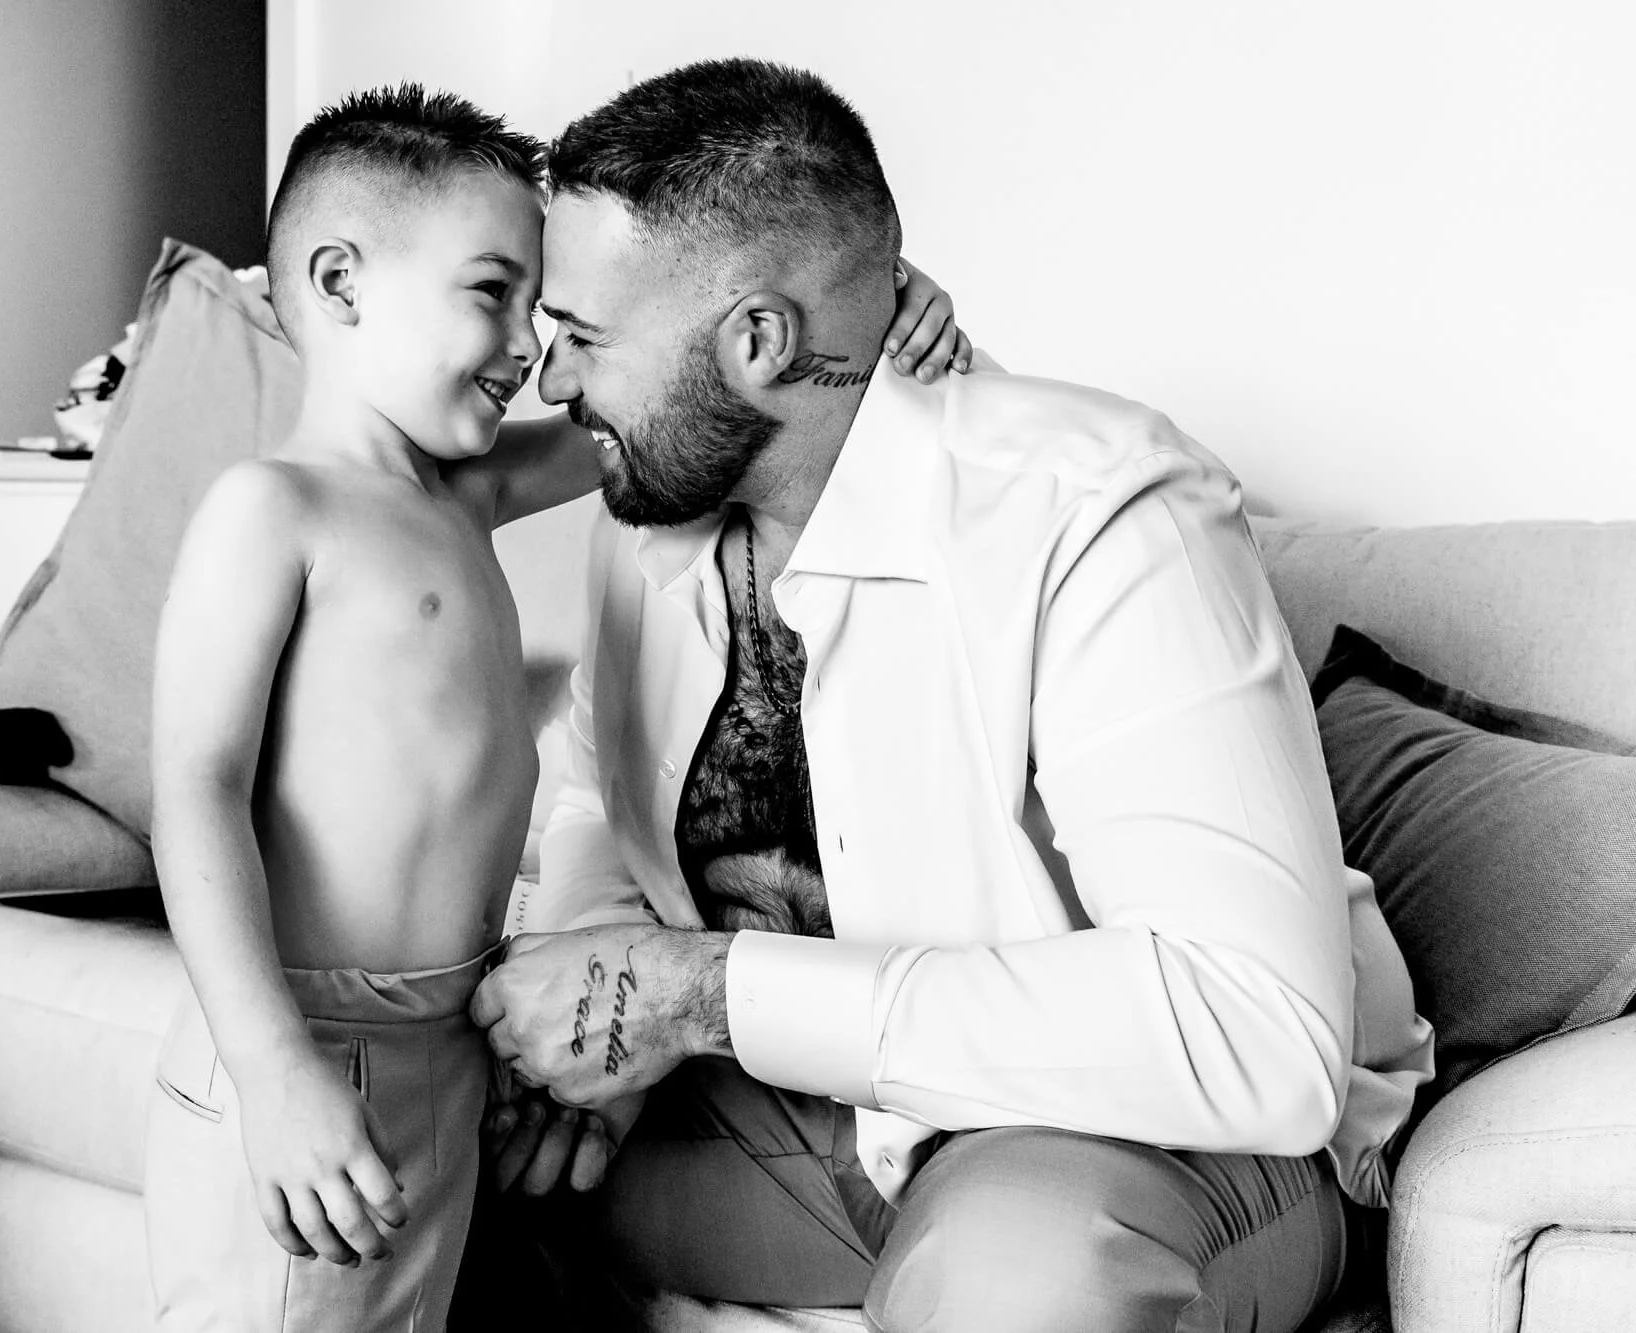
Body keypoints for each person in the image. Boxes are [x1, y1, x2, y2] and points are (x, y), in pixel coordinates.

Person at [468, 58, 1436, 1332]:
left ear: (756, 340)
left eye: (583, 341)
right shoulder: (652, 513)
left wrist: (696, 989)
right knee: (416, 1151)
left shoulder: (1100, 512)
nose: (549, 384)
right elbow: (599, 786)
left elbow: (1252, 1031)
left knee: (1015, 1286)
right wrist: (601, 1011)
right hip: (791, 1125)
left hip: (1126, 1140)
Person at [144, 84, 970, 1333]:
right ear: (337, 282)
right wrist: (272, 1074)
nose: (532, 343)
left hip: (449, 1035)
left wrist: (860, 315)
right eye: (492, 290)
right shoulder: (274, 512)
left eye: (539, 301)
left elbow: (661, 414)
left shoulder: (462, 493)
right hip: (314, 1034)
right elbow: (195, 792)